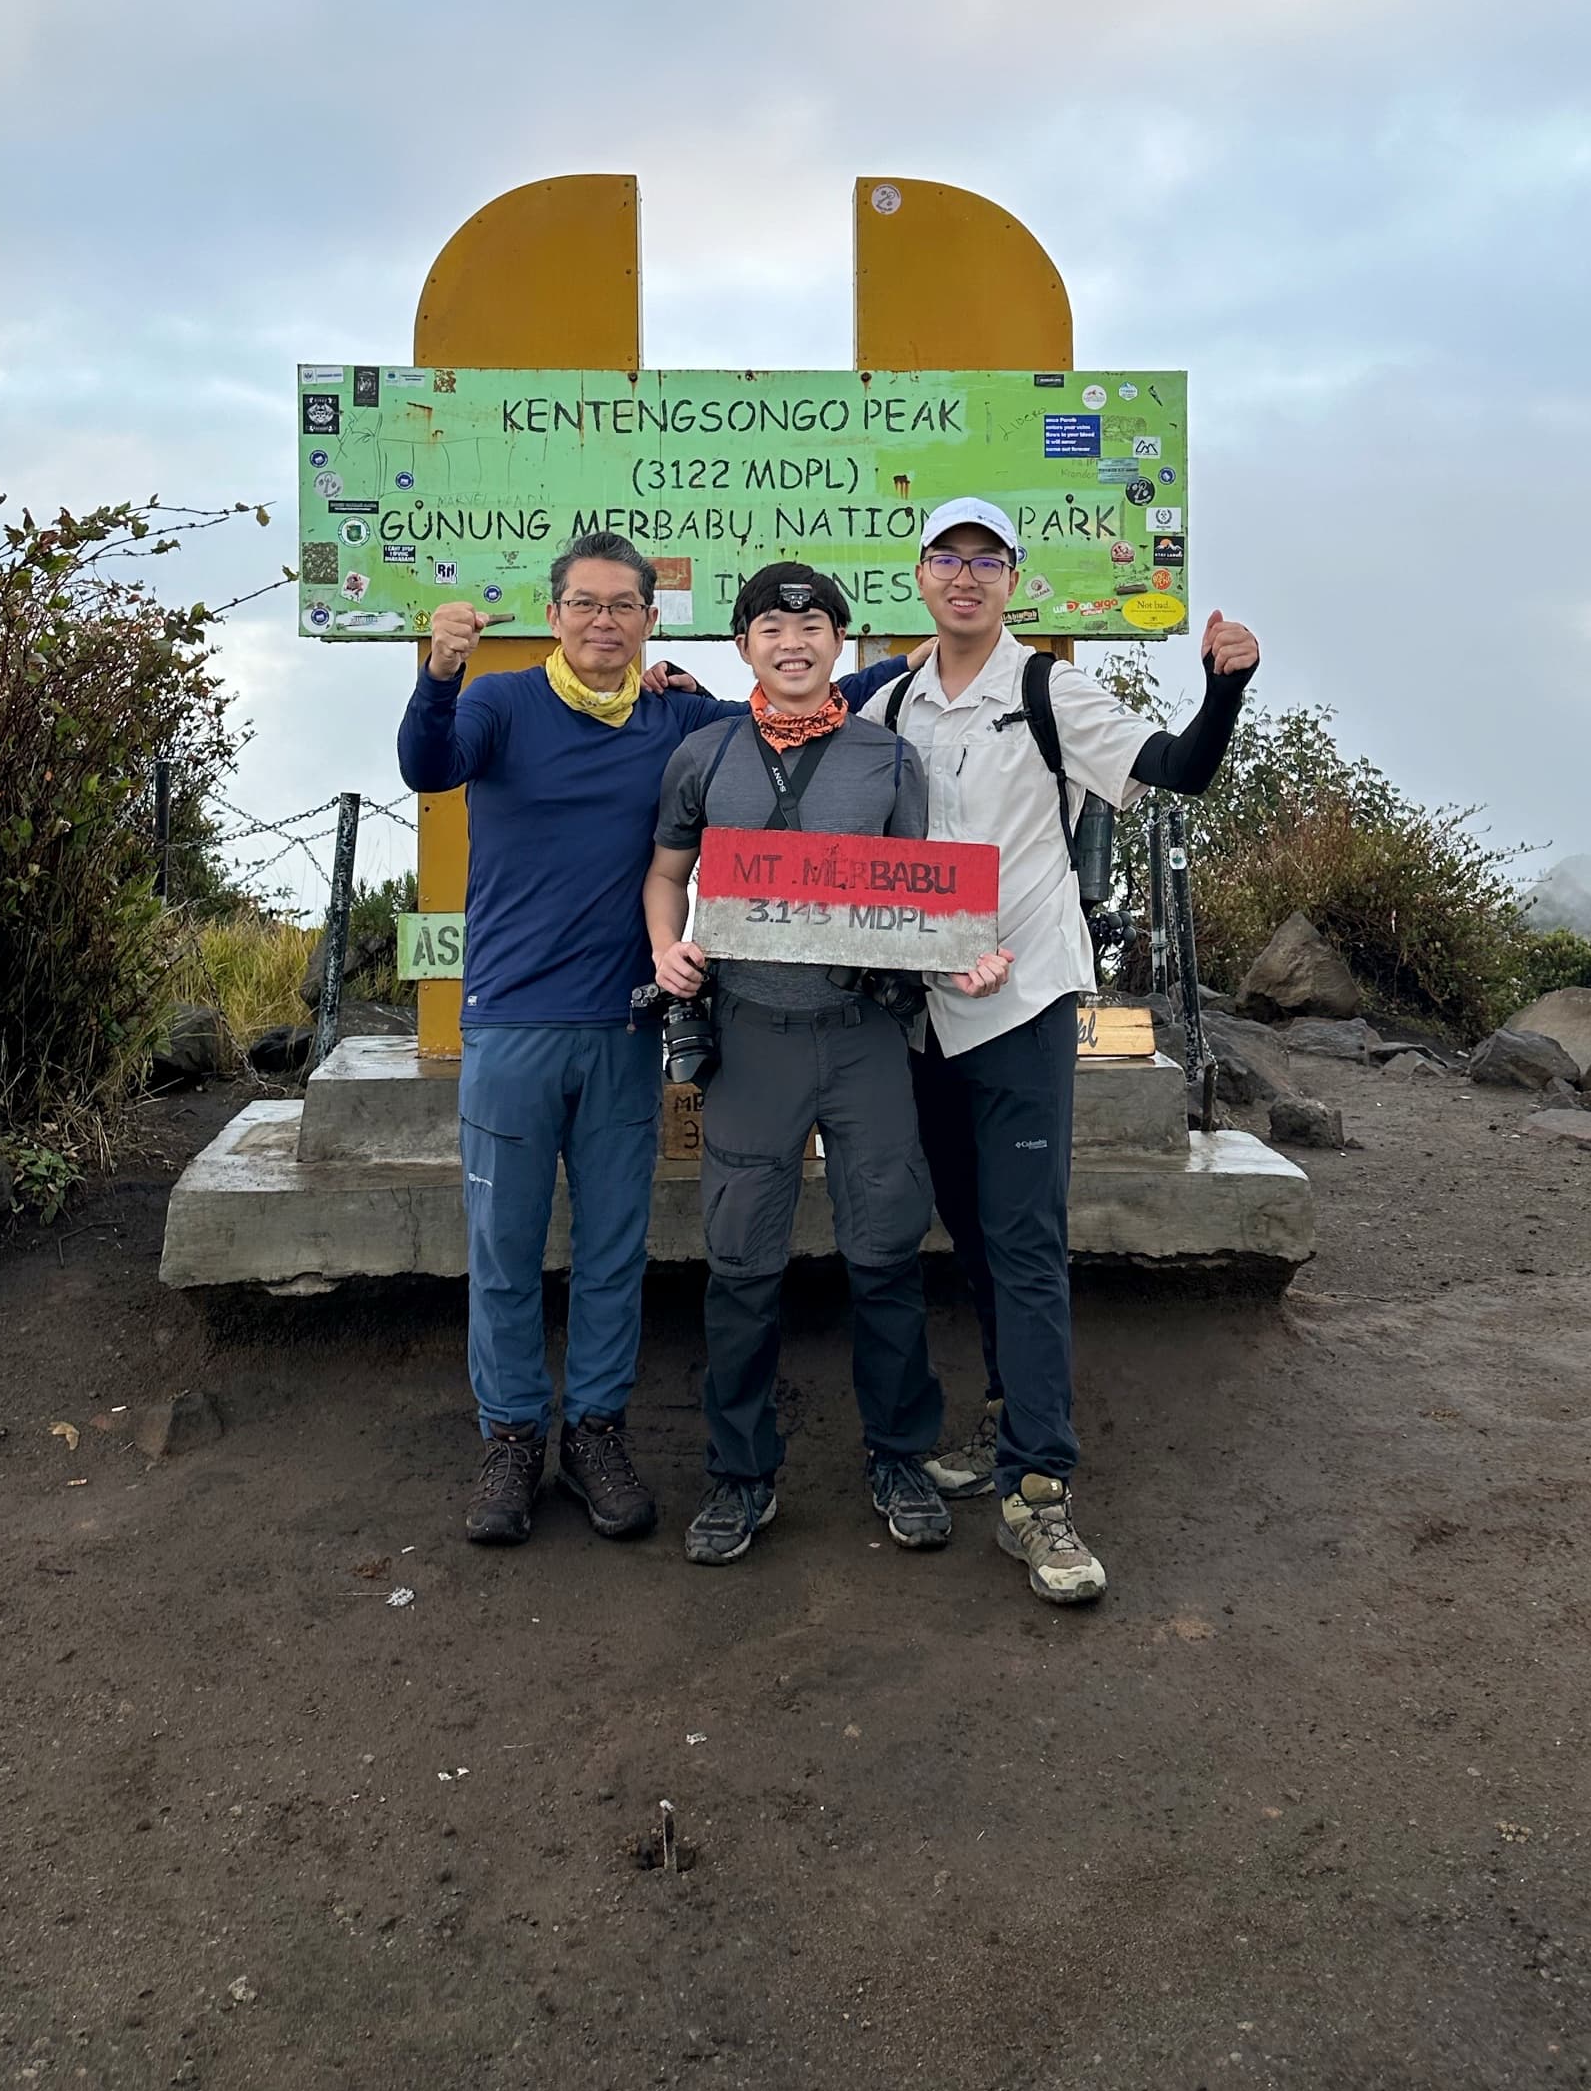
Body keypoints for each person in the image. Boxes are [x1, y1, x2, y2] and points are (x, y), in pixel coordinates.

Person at [396, 532, 915, 1551]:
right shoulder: (499, 701)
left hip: (628, 1023)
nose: (603, 622)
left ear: (651, 619)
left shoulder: (680, 716)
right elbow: (427, 762)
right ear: (552, 615)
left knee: (609, 1252)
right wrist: (439, 671)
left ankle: (595, 1431)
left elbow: (798, 695)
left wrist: (931, 654)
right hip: (508, 1022)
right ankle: (509, 1436)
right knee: (503, 1250)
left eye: (623, 606)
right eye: (584, 604)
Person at [871, 499, 1260, 1607]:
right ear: (922, 574)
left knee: (1027, 1240)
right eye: (947, 557)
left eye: (985, 561)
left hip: (1026, 1002)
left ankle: (1041, 1489)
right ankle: (1004, 1424)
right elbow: (783, 710)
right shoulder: (893, 696)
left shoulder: (1049, 689)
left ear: (1013, 579)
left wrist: (1224, 683)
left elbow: (1180, 766)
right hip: (925, 1013)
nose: (964, 576)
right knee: (975, 1235)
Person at [643, 563, 1012, 1569]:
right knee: (741, 1263)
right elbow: (667, 872)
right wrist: (665, 946)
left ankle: (897, 1455)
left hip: (861, 1035)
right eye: (773, 623)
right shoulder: (702, 752)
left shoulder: (888, 759)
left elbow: (923, 895)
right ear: (745, 643)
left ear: (842, 644)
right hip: (751, 1034)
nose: (794, 639)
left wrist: (963, 948)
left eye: (814, 624)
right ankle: (740, 1472)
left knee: (888, 1254)